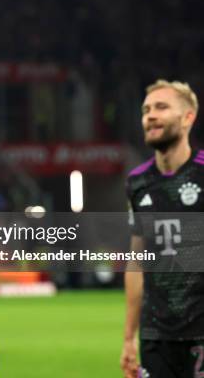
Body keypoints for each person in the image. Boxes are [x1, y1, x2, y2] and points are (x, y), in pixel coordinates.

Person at [121, 80, 204, 378]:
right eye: (146, 110)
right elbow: (136, 262)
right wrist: (129, 337)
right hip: (155, 336)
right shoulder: (137, 182)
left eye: (161, 107)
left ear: (188, 117)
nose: (150, 116)